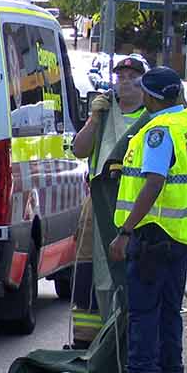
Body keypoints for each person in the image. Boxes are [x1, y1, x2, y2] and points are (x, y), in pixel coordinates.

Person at [98, 67, 187, 373]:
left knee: (144, 312)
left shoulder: (158, 131)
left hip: (153, 233)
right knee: (168, 311)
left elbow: (154, 182)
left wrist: (125, 232)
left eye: (144, 92)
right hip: (181, 233)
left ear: (151, 96)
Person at [66, 55, 147, 348]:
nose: (124, 81)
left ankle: (125, 340)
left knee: (128, 272)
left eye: (131, 76)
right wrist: (93, 119)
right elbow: (79, 149)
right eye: (120, 75)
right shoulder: (105, 112)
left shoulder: (151, 116)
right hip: (98, 204)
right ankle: (87, 342)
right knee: (89, 268)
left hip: (137, 203)